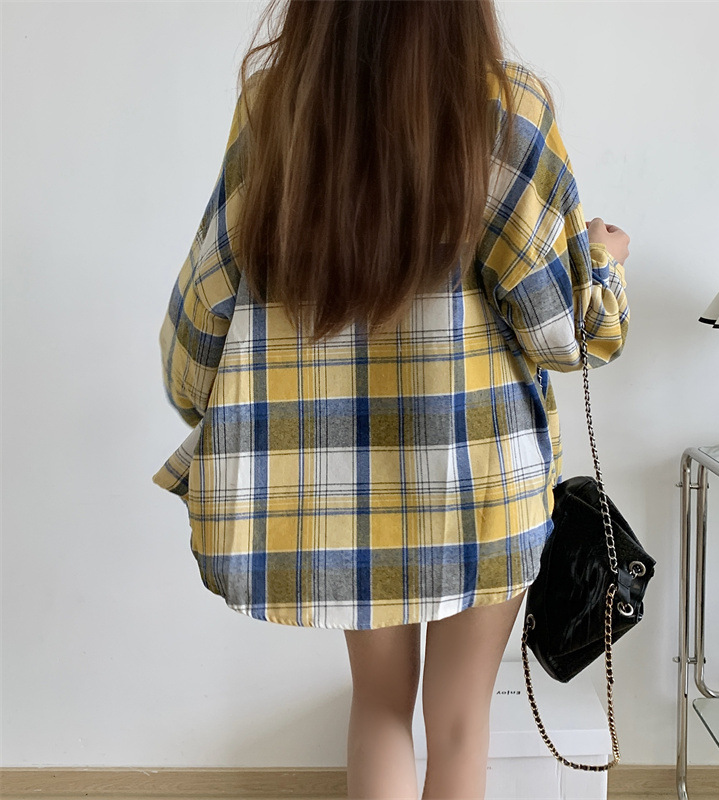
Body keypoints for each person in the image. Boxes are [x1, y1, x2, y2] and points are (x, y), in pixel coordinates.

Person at [152, 2, 631, 798]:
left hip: (338, 490)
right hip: (482, 482)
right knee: (461, 722)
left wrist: (194, 400)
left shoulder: (280, 105)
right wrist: (606, 260)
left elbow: (207, 299)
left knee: (378, 705)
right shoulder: (508, 106)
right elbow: (565, 332)